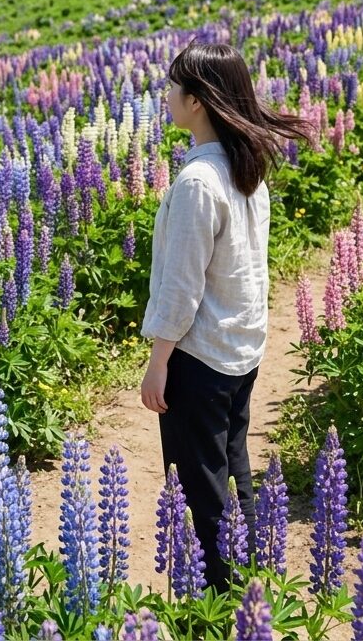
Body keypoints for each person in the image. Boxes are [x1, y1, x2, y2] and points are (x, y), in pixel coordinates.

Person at [139, 41, 313, 590]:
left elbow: (181, 288)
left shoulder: (197, 182)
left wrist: (157, 362)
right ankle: (252, 590)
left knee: (202, 493)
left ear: (197, 102)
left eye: (173, 87)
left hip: (198, 357)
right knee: (233, 476)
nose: (166, 95)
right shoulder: (246, 169)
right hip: (239, 354)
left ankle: (221, 603)